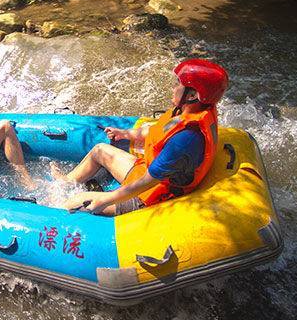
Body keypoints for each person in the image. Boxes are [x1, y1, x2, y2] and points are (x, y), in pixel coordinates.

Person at [61, 59, 228, 216]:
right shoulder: (188, 112)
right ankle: (66, 182)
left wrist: (104, 199)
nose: (173, 87)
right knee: (100, 151)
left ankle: (49, 211)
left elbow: (148, 182)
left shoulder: (185, 140)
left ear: (192, 95)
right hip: (147, 172)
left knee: (74, 203)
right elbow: (157, 130)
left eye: (178, 84)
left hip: (153, 195)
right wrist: (125, 134)